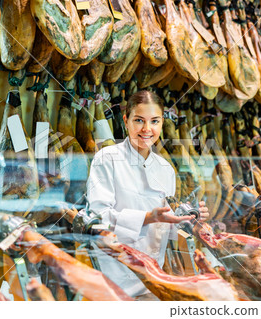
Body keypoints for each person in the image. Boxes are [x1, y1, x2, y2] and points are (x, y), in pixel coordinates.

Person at [86, 90, 209, 298]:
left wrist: (188, 219)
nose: (146, 129)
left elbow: (165, 227)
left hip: (153, 280)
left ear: (161, 123)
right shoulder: (106, 159)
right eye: (139, 120)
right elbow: (98, 218)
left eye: (154, 121)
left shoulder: (165, 169)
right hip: (113, 279)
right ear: (126, 121)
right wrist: (148, 217)